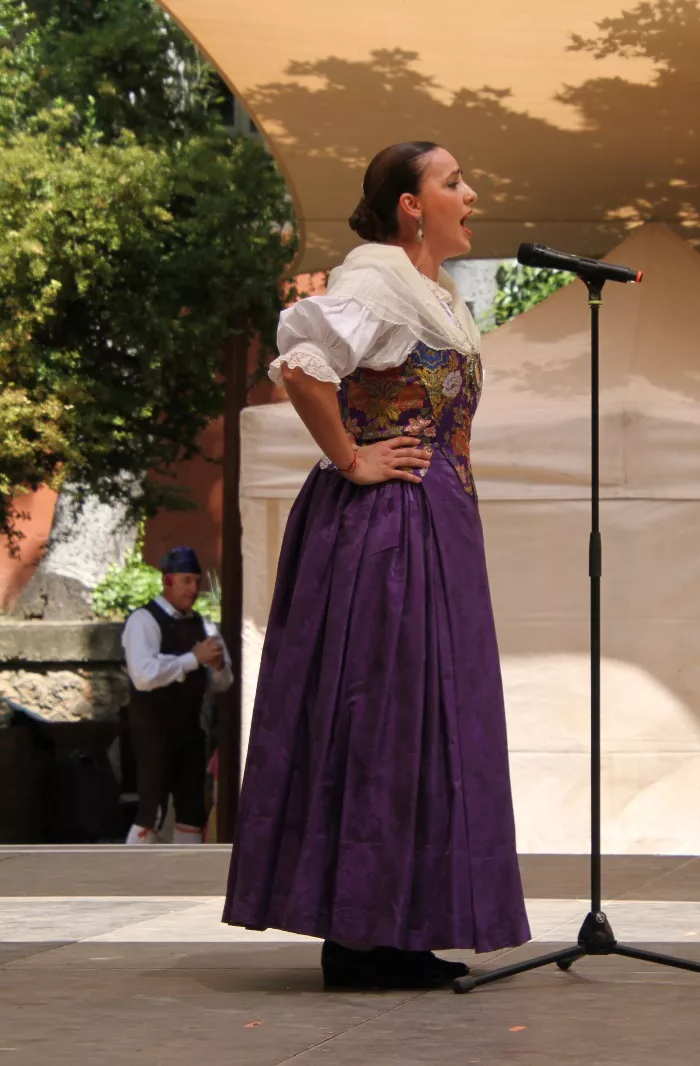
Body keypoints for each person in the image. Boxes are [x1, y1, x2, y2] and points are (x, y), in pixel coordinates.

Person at [222, 141, 531, 989]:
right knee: (385, 716)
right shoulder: (378, 276)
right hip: (387, 527)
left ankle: (393, 926)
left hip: (433, 522)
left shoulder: (434, 294)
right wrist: (352, 457)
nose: (471, 193)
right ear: (410, 204)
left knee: (424, 719)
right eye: (453, 182)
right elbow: (303, 365)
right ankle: (361, 935)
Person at [122, 545, 233, 845]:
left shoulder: (204, 625)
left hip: (190, 730)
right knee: (152, 810)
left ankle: (187, 871)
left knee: (192, 811)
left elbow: (224, 683)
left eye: (196, 581)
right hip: (153, 729)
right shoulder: (143, 621)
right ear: (167, 581)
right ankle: (130, 870)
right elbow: (144, 676)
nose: (193, 589)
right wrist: (193, 659)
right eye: (186, 581)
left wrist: (217, 666)